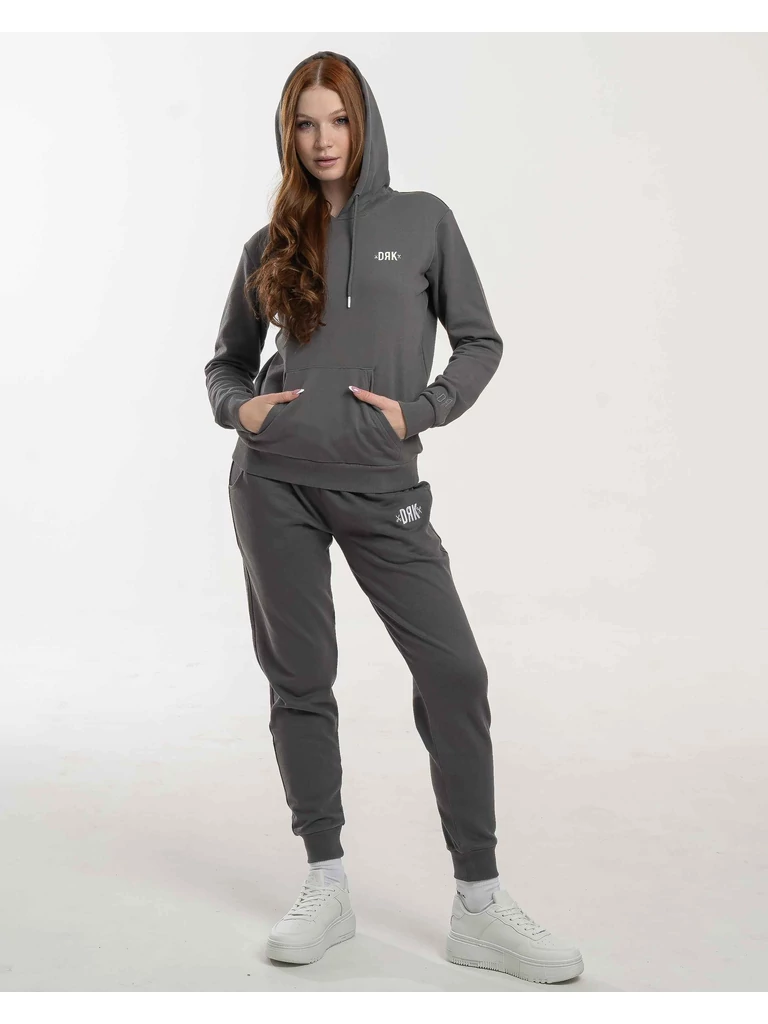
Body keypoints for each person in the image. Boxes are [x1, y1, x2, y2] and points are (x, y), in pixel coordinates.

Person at [204, 50, 583, 983]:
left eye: (337, 119)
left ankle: (480, 905)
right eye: (305, 123)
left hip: (383, 484)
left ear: (363, 122)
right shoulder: (270, 241)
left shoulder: (423, 221)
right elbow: (225, 362)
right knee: (301, 679)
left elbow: (480, 340)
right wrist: (242, 411)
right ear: (288, 134)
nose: (323, 139)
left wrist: (422, 412)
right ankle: (325, 882)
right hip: (275, 484)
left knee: (454, 673)